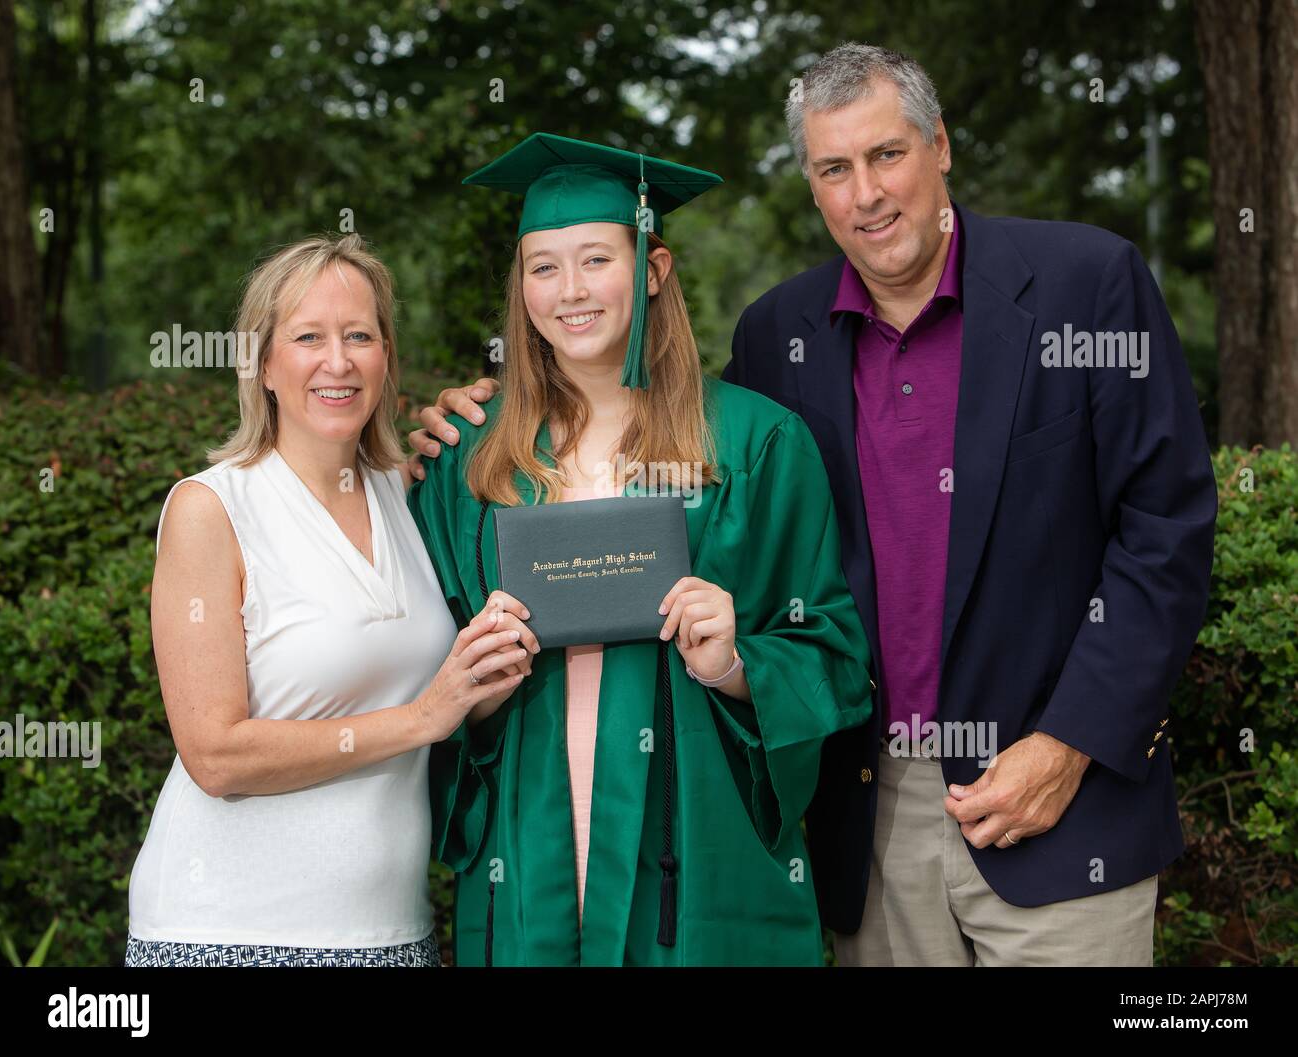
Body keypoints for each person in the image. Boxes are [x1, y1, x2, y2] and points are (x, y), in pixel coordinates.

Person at [412, 44, 1217, 968]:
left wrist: (1072, 741)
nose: (866, 193)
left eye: (887, 155)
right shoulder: (777, 338)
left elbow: (1168, 533)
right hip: (868, 813)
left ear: (941, 145)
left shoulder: (1087, 285)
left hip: (1051, 796)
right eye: (835, 168)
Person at [407, 133, 873, 966]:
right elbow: (415, 664)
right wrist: (470, 686)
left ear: (652, 270)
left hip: (696, 858)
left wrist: (736, 662)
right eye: (543, 266)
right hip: (528, 850)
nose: (570, 290)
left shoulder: (756, 443)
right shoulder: (467, 461)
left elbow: (833, 654)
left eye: (596, 259)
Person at [125, 234, 529, 967]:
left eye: (359, 336)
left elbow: (433, 693)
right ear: (263, 363)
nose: (337, 361)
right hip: (232, 934)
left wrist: (478, 684)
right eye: (308, 336)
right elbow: (215, 754)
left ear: (386, 358)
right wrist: (423, 717)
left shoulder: (405, 494)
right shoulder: (212, 509)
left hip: (391, 932)